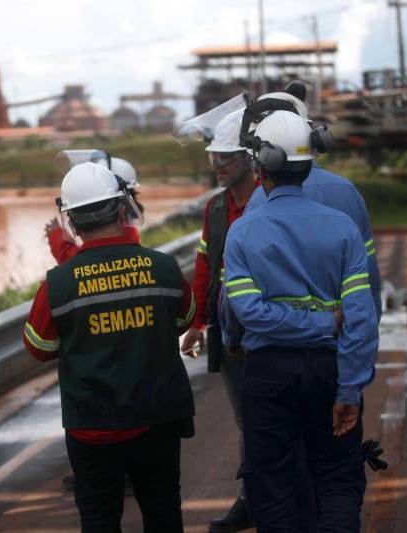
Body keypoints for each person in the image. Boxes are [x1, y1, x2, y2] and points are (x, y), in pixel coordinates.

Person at [223, 110, 378, 532]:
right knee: (338, 478)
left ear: (260, 168)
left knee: (270, 482)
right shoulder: (344, 228)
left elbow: (248, 312)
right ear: (309, 165)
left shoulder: (241, 233)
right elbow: (359, 317)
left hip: (269, 371)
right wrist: (348, 385)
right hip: (330, 370)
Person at [23, 162, 196, 532]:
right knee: (163, 512)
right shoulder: (164, 268)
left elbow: (38, 345)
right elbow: (184, 318)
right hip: (159, 417)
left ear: (70, 220)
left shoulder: (58, 284)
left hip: (92, 425)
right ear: (121, 208)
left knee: (99, 519)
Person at [178, 107, 257, 532]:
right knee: (245, 418)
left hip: (266, 331)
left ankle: (273, 495)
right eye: (214, 159)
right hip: (228, 334)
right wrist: (197, 321)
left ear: (248, 158)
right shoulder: (215, 208)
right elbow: (205, 266)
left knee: (272, 416)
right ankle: (255, 498)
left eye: (225, 159)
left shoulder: (268, 201)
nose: (217, 166)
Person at [243, 82, 382, 319]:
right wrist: (369, 323)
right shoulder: (347, 191)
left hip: (276, 340)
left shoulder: (255, 206)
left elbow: (243, 291)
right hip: (343, 336)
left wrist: (234, 340)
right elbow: (368, 272)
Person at [46, 153, 143, 265]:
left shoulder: (56, 281)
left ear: (74, 224)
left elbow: (75, 259)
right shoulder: (160, 264)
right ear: (122, 209)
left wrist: (56, 236)